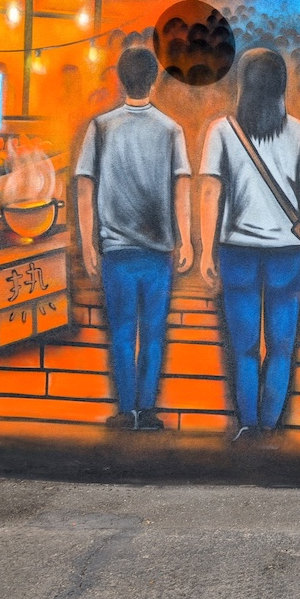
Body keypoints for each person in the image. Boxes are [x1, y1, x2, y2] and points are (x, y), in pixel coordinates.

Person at [199, 48, 300, 442]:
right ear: (282, 87)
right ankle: (270, 425)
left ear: (242, 85)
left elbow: (209, 191)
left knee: (242, 347)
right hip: (288, 254)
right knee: (281, 347)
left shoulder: (221, 130)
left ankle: (247, 423)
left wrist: (206, 249)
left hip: (235, 250)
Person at [75, 47, 193, 430]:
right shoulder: (171, 128)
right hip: (159, 249)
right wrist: (186, 240)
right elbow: (181, 187)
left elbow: (84, 187)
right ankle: (147, 410)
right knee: (154, 332)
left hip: (115, 249)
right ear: (154, 79)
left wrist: (89, 242)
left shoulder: (101, 127)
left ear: (120, 79)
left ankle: (126, 410)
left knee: (122, 331)